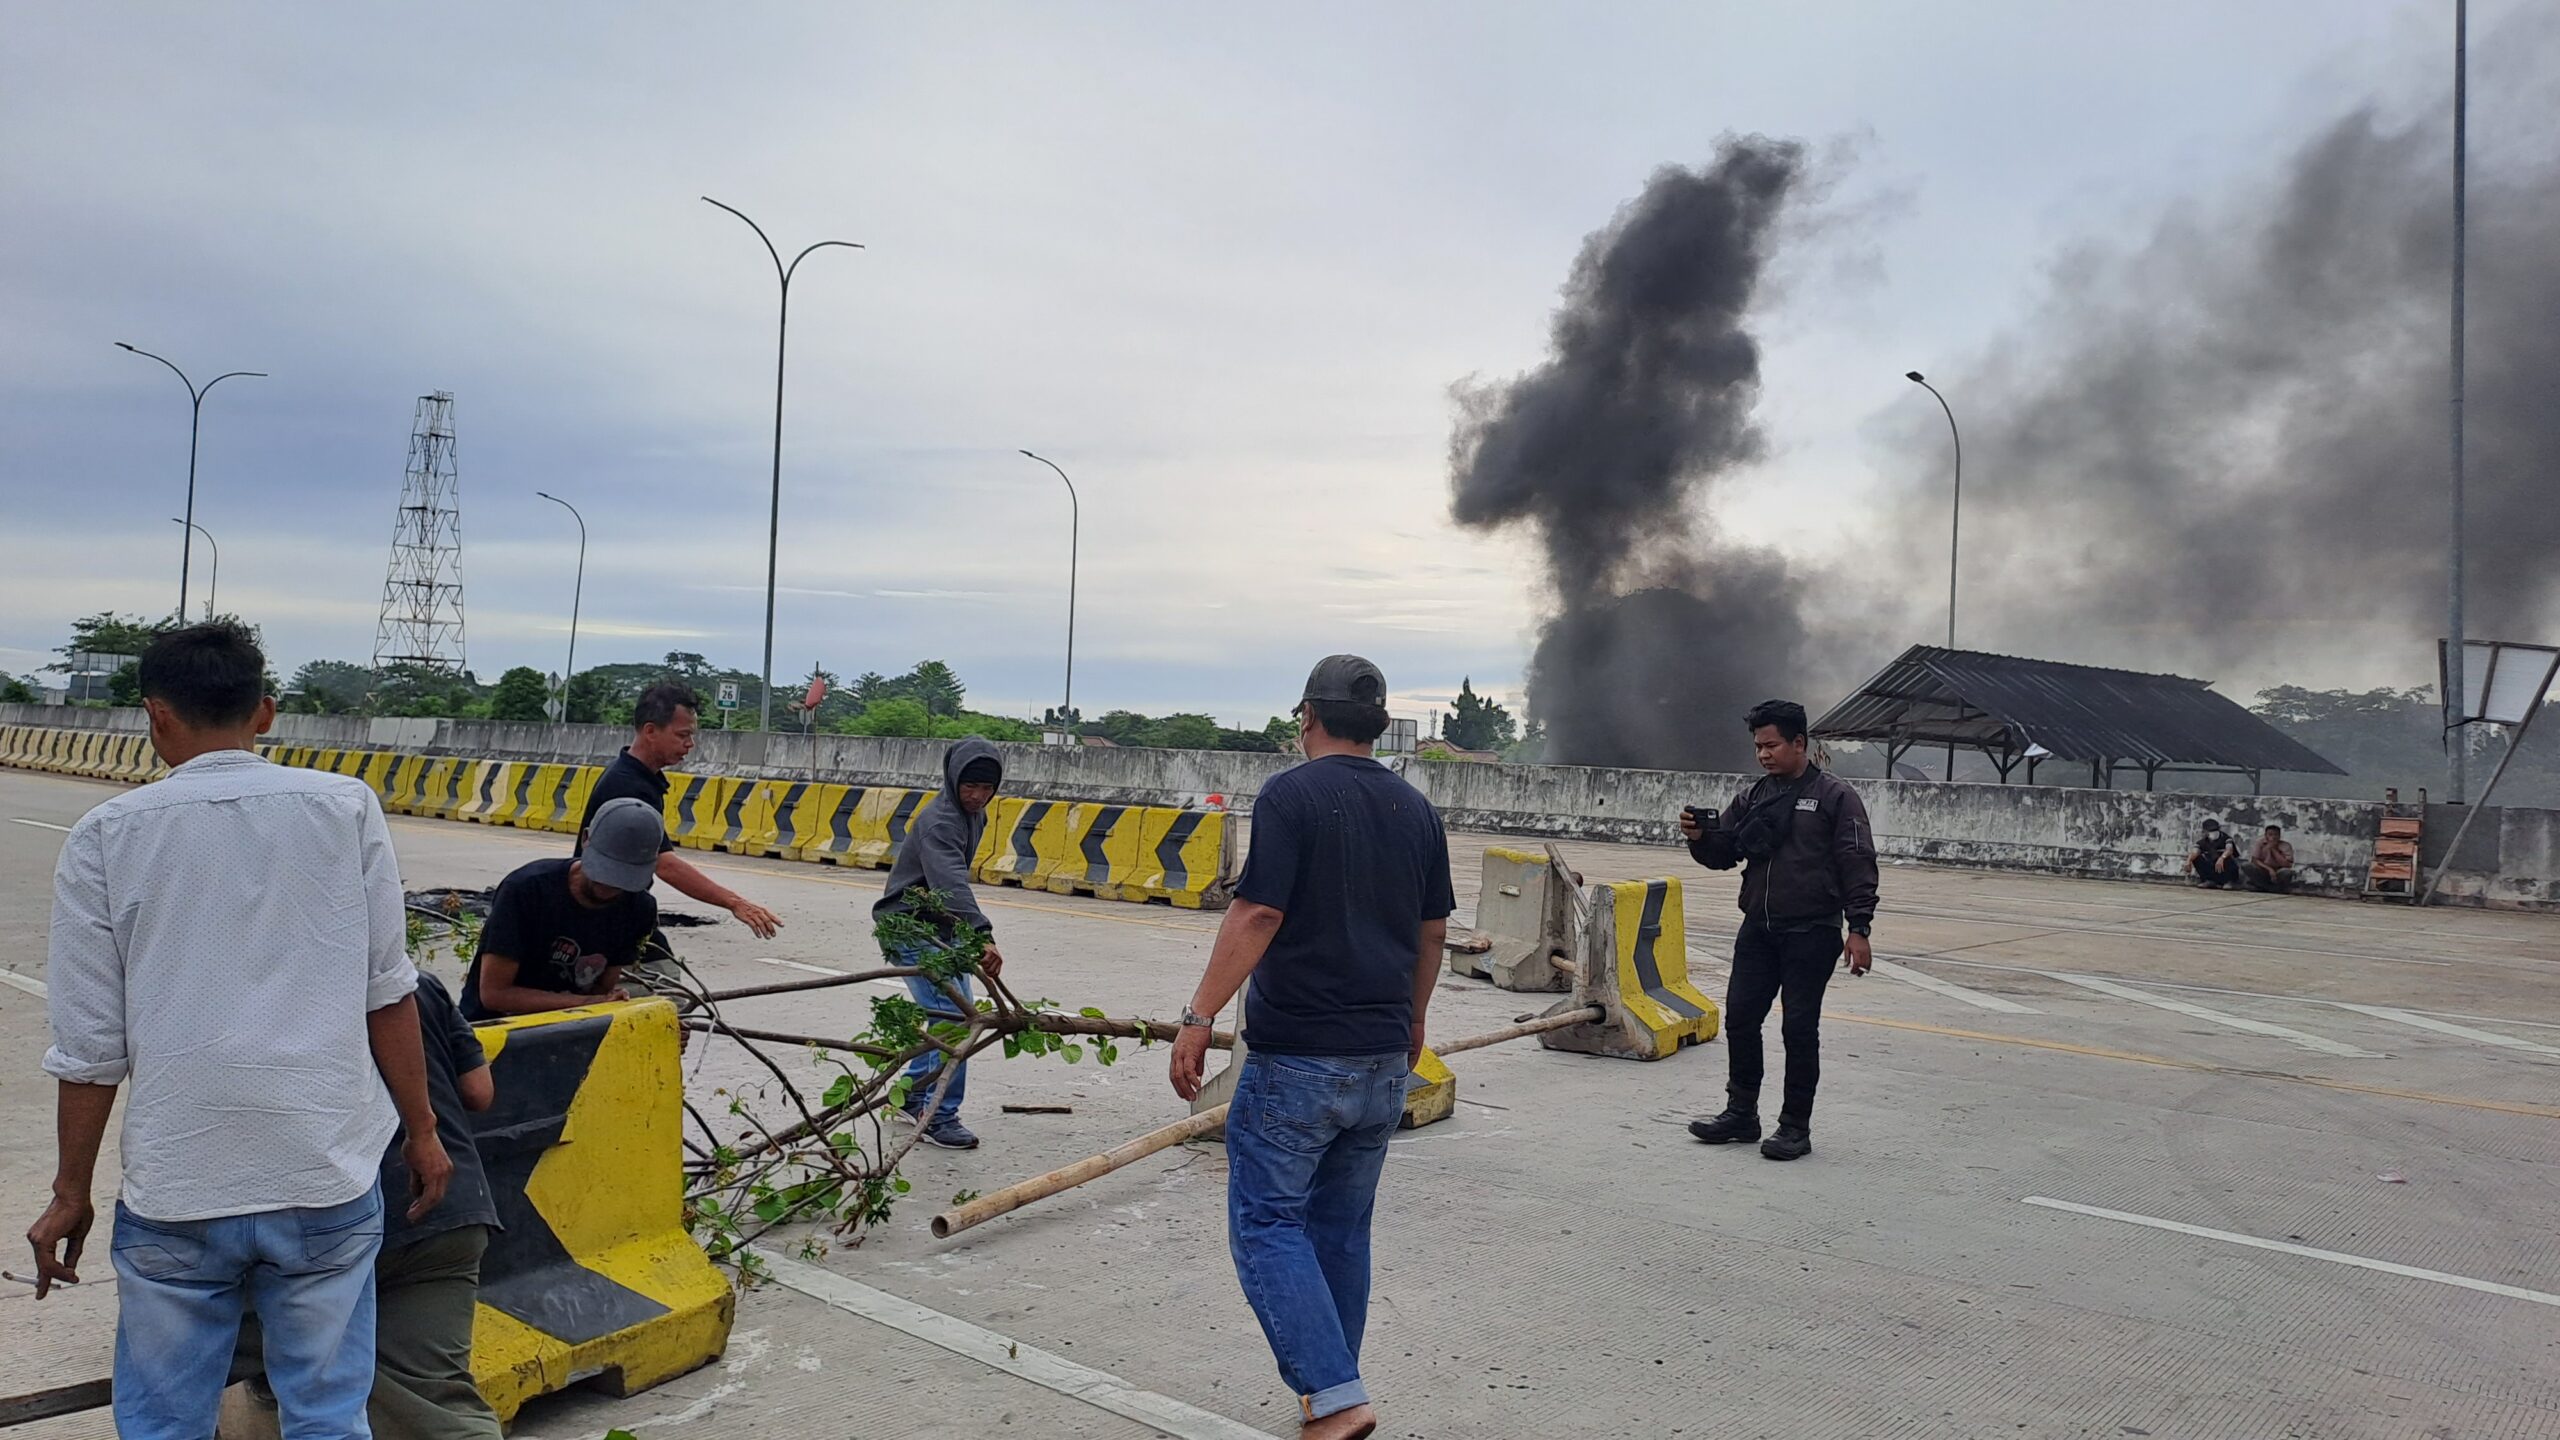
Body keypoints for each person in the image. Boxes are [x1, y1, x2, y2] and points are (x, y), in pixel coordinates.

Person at [27, 620, 452, 1440]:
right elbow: (386, 991)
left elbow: (89, 1050)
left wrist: (70, 1193)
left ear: (155, 716)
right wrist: (423, 1132)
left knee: (161, 1423)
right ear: (265, 711)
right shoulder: (344, 807)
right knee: (327, 1415)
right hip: (323, 1175)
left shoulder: (105, 838)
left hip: (180, 1186)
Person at [1169, 655, 1453, 1440]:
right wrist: (1415, 1020)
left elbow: (1257, 915)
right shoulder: (1415, 808)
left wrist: (1198, 1016)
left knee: (1266, 1223)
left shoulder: (1293, 795)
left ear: (1307, 718)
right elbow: (1433, 933)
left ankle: (1336, 1398)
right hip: (1381, 1057)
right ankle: (1332, 1388)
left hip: (1301, 1058)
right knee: (1340, 1228)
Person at [229, 972, 503, 1440]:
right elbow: (479, 1091)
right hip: (449, 1212)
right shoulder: (423, 983)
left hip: (337, 1218)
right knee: (436, 1395)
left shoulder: (271, 986)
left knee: (204, 1336)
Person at [1683, 698, 1880, 1163]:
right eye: (1757, 746)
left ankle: (1794, 1127)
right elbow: (1724, 853)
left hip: (1812, 931)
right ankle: (1741, 1113)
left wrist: (1860, 928)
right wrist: (1699, 839)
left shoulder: (1835, 797)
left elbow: (1857, 861)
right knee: (1740, 1018)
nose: (1764, 755)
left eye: (1772, 745)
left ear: (1799, 743)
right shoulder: (1754, 797)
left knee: (1798, 1028)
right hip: (1759, 927)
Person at [872, 738, 1007, 1151]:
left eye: (987, 789)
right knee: (956, 1021)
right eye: (970, 787)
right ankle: (939, 1116)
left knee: (952, 1016)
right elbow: (950, 881)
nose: (978, 795)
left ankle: (914, 1095)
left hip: (938, 928)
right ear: (953, 780)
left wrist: (964, 935)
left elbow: (946, 887)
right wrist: (982, 933)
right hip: (909, 929)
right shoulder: (941, 820)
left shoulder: (975, 815)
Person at [574, 681, 782, 945]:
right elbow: (664, 864)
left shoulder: (642, 778)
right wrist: (735, 903)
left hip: (624, 913)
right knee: (662, 980)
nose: (690, 744)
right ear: (650, 731)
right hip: (603, 915)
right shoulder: (628, 786)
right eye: (682, 735)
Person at [461, 797, 661, 1021]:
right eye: (605, 871)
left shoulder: (639, 909)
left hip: (572, 1031)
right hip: (496, 1027)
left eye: (623, 878)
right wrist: (587, 1004)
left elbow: (602, 989)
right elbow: (495, 994)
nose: (610, 887)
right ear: (585, 840)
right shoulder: (527, 890)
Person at [2188, 818, 2242, 888]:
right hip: (2213, 869)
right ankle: (2209, 880)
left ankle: (2230, 882)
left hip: (2226, 869)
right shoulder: (2203, 842)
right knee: (2196, 858)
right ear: (2205, 831)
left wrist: (2222, 858)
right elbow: (2195, 851)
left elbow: (2229, 850)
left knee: (2227, 857)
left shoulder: (2226, 839)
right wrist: (2188, 860)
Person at [2243, 824, 2297, 893]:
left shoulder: (2285, 845)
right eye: (2270, 835)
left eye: (2276, 835)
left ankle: (2264, 887)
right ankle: (2270, 888)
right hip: (2263, 870)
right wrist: (2269, 869)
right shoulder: (2260, 843)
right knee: (2246, 865)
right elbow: (2255, 860)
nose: (2273, 837)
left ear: (2279, 836)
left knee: (2287, 872)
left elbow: (2287, 864)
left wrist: (2273, 849)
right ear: (2266, 836)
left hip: (2278, 872)